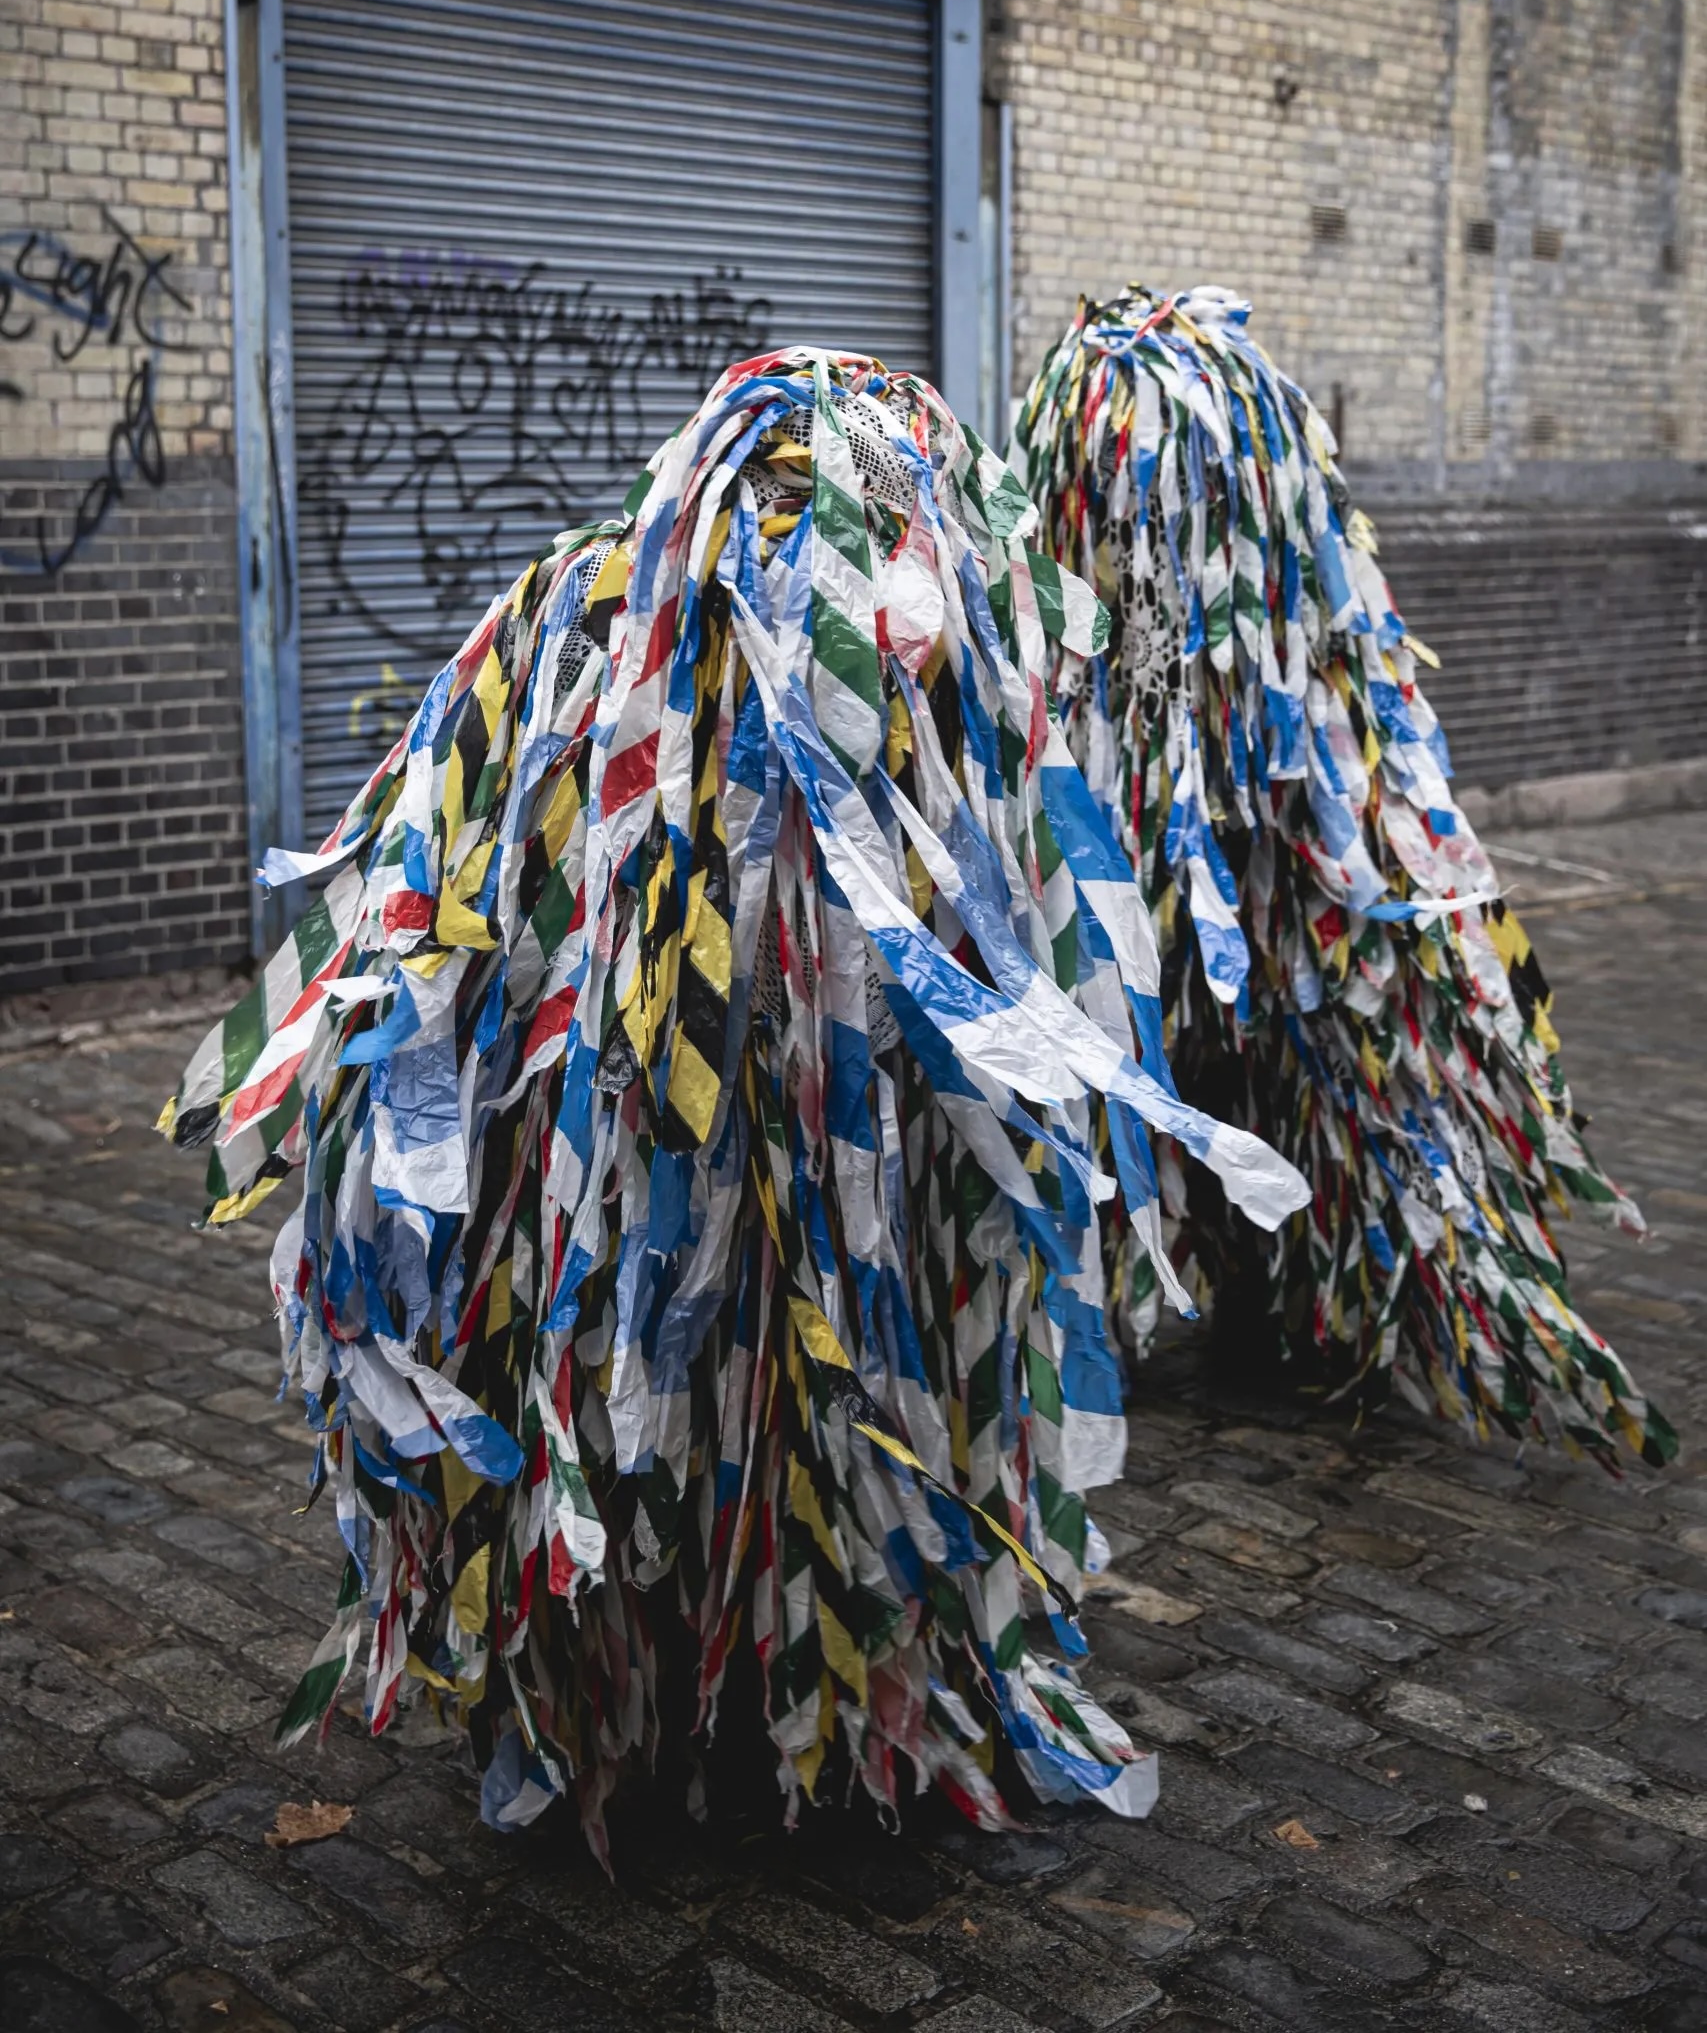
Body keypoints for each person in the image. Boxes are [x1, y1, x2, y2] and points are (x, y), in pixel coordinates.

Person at [162, 346, 1308, 1856]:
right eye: (790, 504)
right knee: (652, 1387)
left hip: (856, 1168)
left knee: (820, 1401)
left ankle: (781, 1696)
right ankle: (649, 1694)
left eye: (856, 514)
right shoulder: (597, 633)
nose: (822, 541)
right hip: (635, 1147)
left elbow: (1000, 931)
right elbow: (457, 916)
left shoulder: (940, 666)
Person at [1015, 285, 1671, 1470]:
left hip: (1290, 853)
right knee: (1135, 1047)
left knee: (1309, 1055)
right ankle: (1126, 1299)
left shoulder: (1296, 649)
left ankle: (1309, 1285)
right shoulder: (1073, 627)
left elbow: (1313, 703)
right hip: (1143, 845)